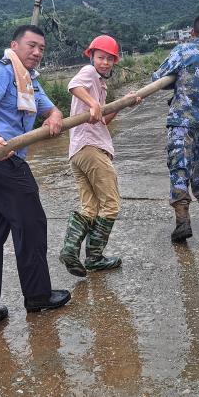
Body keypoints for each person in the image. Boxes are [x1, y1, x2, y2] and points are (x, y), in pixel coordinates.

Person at [0, 24, 70, 334]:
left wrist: (53, 118)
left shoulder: (29, 81)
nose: (37, 52)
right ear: (15, 45)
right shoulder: (0, 73)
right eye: (31, 46)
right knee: (32, 225)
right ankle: (38, 296)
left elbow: (50, 110)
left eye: (41, 47)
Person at [59, 35, 141, 277]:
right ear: (92, 57)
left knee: (90, 207)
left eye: (109, 59)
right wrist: (92, 102)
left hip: (78, 151)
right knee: (111, 204)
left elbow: (103, 119)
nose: (104, 62)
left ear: (114, 61)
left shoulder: (101, 85)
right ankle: (93, 257)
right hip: (91, 147)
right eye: (100, 57)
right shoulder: (88, 73)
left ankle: (70, 249)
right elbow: (72, 86)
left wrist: (121, 104)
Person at [151, 14, 199, 243]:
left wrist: (178, 82)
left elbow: (158, 77)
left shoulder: (182, 51)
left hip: (181, 123)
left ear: (192, 33)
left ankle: (182, 223)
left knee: (179, 169)